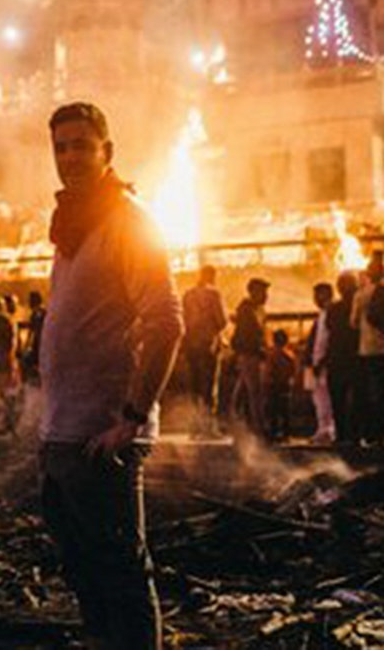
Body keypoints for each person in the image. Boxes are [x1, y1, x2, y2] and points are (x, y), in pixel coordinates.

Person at [38, 102, 182, 650]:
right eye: (60, 146)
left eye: (80, 144)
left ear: (108, 152)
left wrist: (131, 418)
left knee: (120, 574)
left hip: (104, 438)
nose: (70, 156)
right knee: (84, 573)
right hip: (62, 434)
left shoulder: (130, 221)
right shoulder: (72, 224)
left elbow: (167, 323)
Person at [181, 265, 227, 436]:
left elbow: (182, 320)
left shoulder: (188, 295)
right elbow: (221, 321)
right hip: (209, 345)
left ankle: (194, 428)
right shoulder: (214, 294)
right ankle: (208, 427)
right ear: (211, 276)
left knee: (195, 386)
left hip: (191, 345)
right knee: (209, 386)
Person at [350, 253, 384, 446]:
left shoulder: (361, 295)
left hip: (368, 349)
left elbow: (353, 323)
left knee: (373, 392)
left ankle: (375, 433)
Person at [230, 277, 270, 436]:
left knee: (244, 390)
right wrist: (258, 350)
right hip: (249, 354)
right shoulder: (247, 310)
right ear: (253, 292)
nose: (266, 295)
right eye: (263, 291)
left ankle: (236, 422)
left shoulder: (256, 309)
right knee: (255, 392)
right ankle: (258, 427)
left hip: (250, 354)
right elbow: (246, 335)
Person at [327, 271, 360, 443]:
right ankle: (355, 434)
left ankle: (341, 435)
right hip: (355, 358)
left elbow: (329, 330)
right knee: (357, 398)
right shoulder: (358, 306)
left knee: (337, 400)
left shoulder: (333, 309)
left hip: (336, 359)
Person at [306, 282, 336, 444]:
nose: (316, 299)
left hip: (324, 362)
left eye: (319, 294)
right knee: (319, 398)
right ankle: (323, 429)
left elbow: (330, 340)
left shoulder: (330, 313)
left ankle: (327, 430)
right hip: (317, 361)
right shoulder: (322, 314)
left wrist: (322, 361)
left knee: (325, 398)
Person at [266, 329, 296, 441]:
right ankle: (286, 432)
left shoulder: (272, 355)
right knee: (284, 410)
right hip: (285, 384)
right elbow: (292, 371)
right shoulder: (289, 356)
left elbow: (268, 371)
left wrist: (268, 381)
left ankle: (273, 431)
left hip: (274, 385)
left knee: (273, 409)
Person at [18, 290, 47, 384]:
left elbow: (32, 331)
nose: (28, 303)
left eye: (30, 300)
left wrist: (25, 346)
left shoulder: (37, 313)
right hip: (41, 344)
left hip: (39, 344)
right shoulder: (43, 312)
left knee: (26, 362)